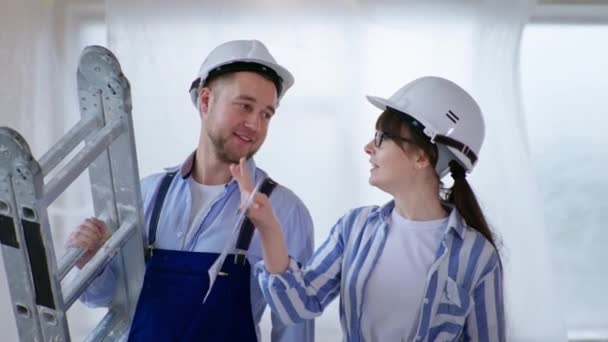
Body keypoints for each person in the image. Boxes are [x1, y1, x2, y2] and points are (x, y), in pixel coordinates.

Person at [67, 39, 315, 342]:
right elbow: (106, 297)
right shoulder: (147, 195)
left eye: (266, 114)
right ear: (206, 101)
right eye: (245, 106)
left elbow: (294, 329)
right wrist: (92, 260)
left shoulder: (285, 211)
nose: (255, 124)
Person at [230, 76, 505, 341]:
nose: (368, 147)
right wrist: (268, 227)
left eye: (381, 137)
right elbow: (296, 305)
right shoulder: (354, 229)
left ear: (422, 156)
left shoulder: (478, 256)